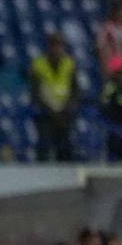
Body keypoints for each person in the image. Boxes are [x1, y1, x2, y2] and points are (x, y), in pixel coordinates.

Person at [28, 33, 78, 162]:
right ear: (48, 46)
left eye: (58, 45)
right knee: (44, 147)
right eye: (53, 45)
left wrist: (67, 108)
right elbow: (35, 92)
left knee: (65, 149)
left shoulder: (69, 64)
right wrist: (50, 110)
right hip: (45, 114)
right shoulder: (38, 64)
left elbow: (75, 90)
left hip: (64, 114)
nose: (56, 49)